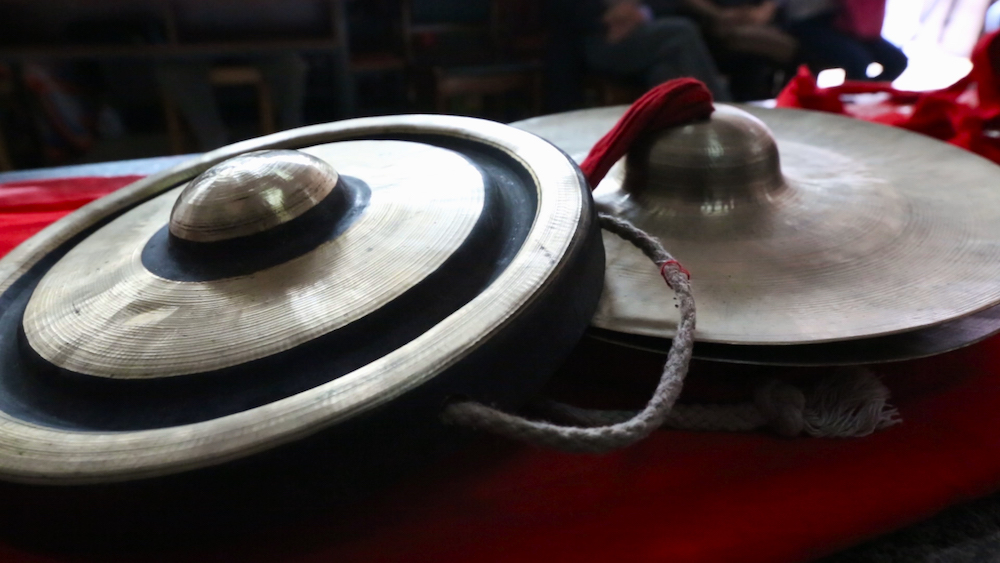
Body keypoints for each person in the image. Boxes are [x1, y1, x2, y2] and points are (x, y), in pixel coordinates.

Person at [544, 0, 731, 111]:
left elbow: (669, 3)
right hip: (597, 41)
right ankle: (722, 113)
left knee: (665, 71)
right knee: (682, 32)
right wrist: (607, 19)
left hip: (647, 37)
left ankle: (680, 135)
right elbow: (561, 11)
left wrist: (641, 13)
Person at [779, 0, 907, 81]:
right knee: (857, 60)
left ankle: (867, 94)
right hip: (807, 22)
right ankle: (851, 102)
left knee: (897, 60)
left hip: (846, 22)